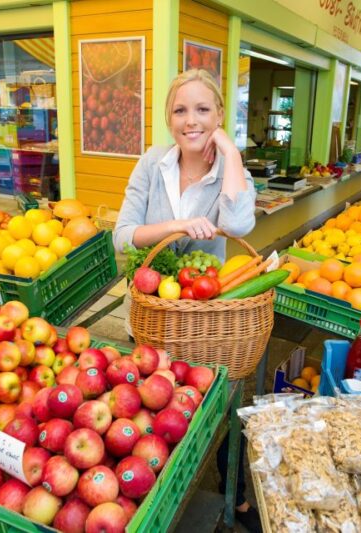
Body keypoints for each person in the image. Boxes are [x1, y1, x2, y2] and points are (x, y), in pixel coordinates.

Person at [114, 69, 260, 531]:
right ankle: (151, 491)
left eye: (202, 109)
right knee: (154, 404)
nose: (190, 120)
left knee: (219, 404)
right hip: (153, 314)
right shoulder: (152, 163)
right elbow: (122, 236)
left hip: (206, 319)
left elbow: (238, 226)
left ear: (219, 115)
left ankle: (235, 491)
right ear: (168, 118)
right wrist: (177, 225)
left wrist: (231, 153)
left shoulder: (231, 171)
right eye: (180, 110)